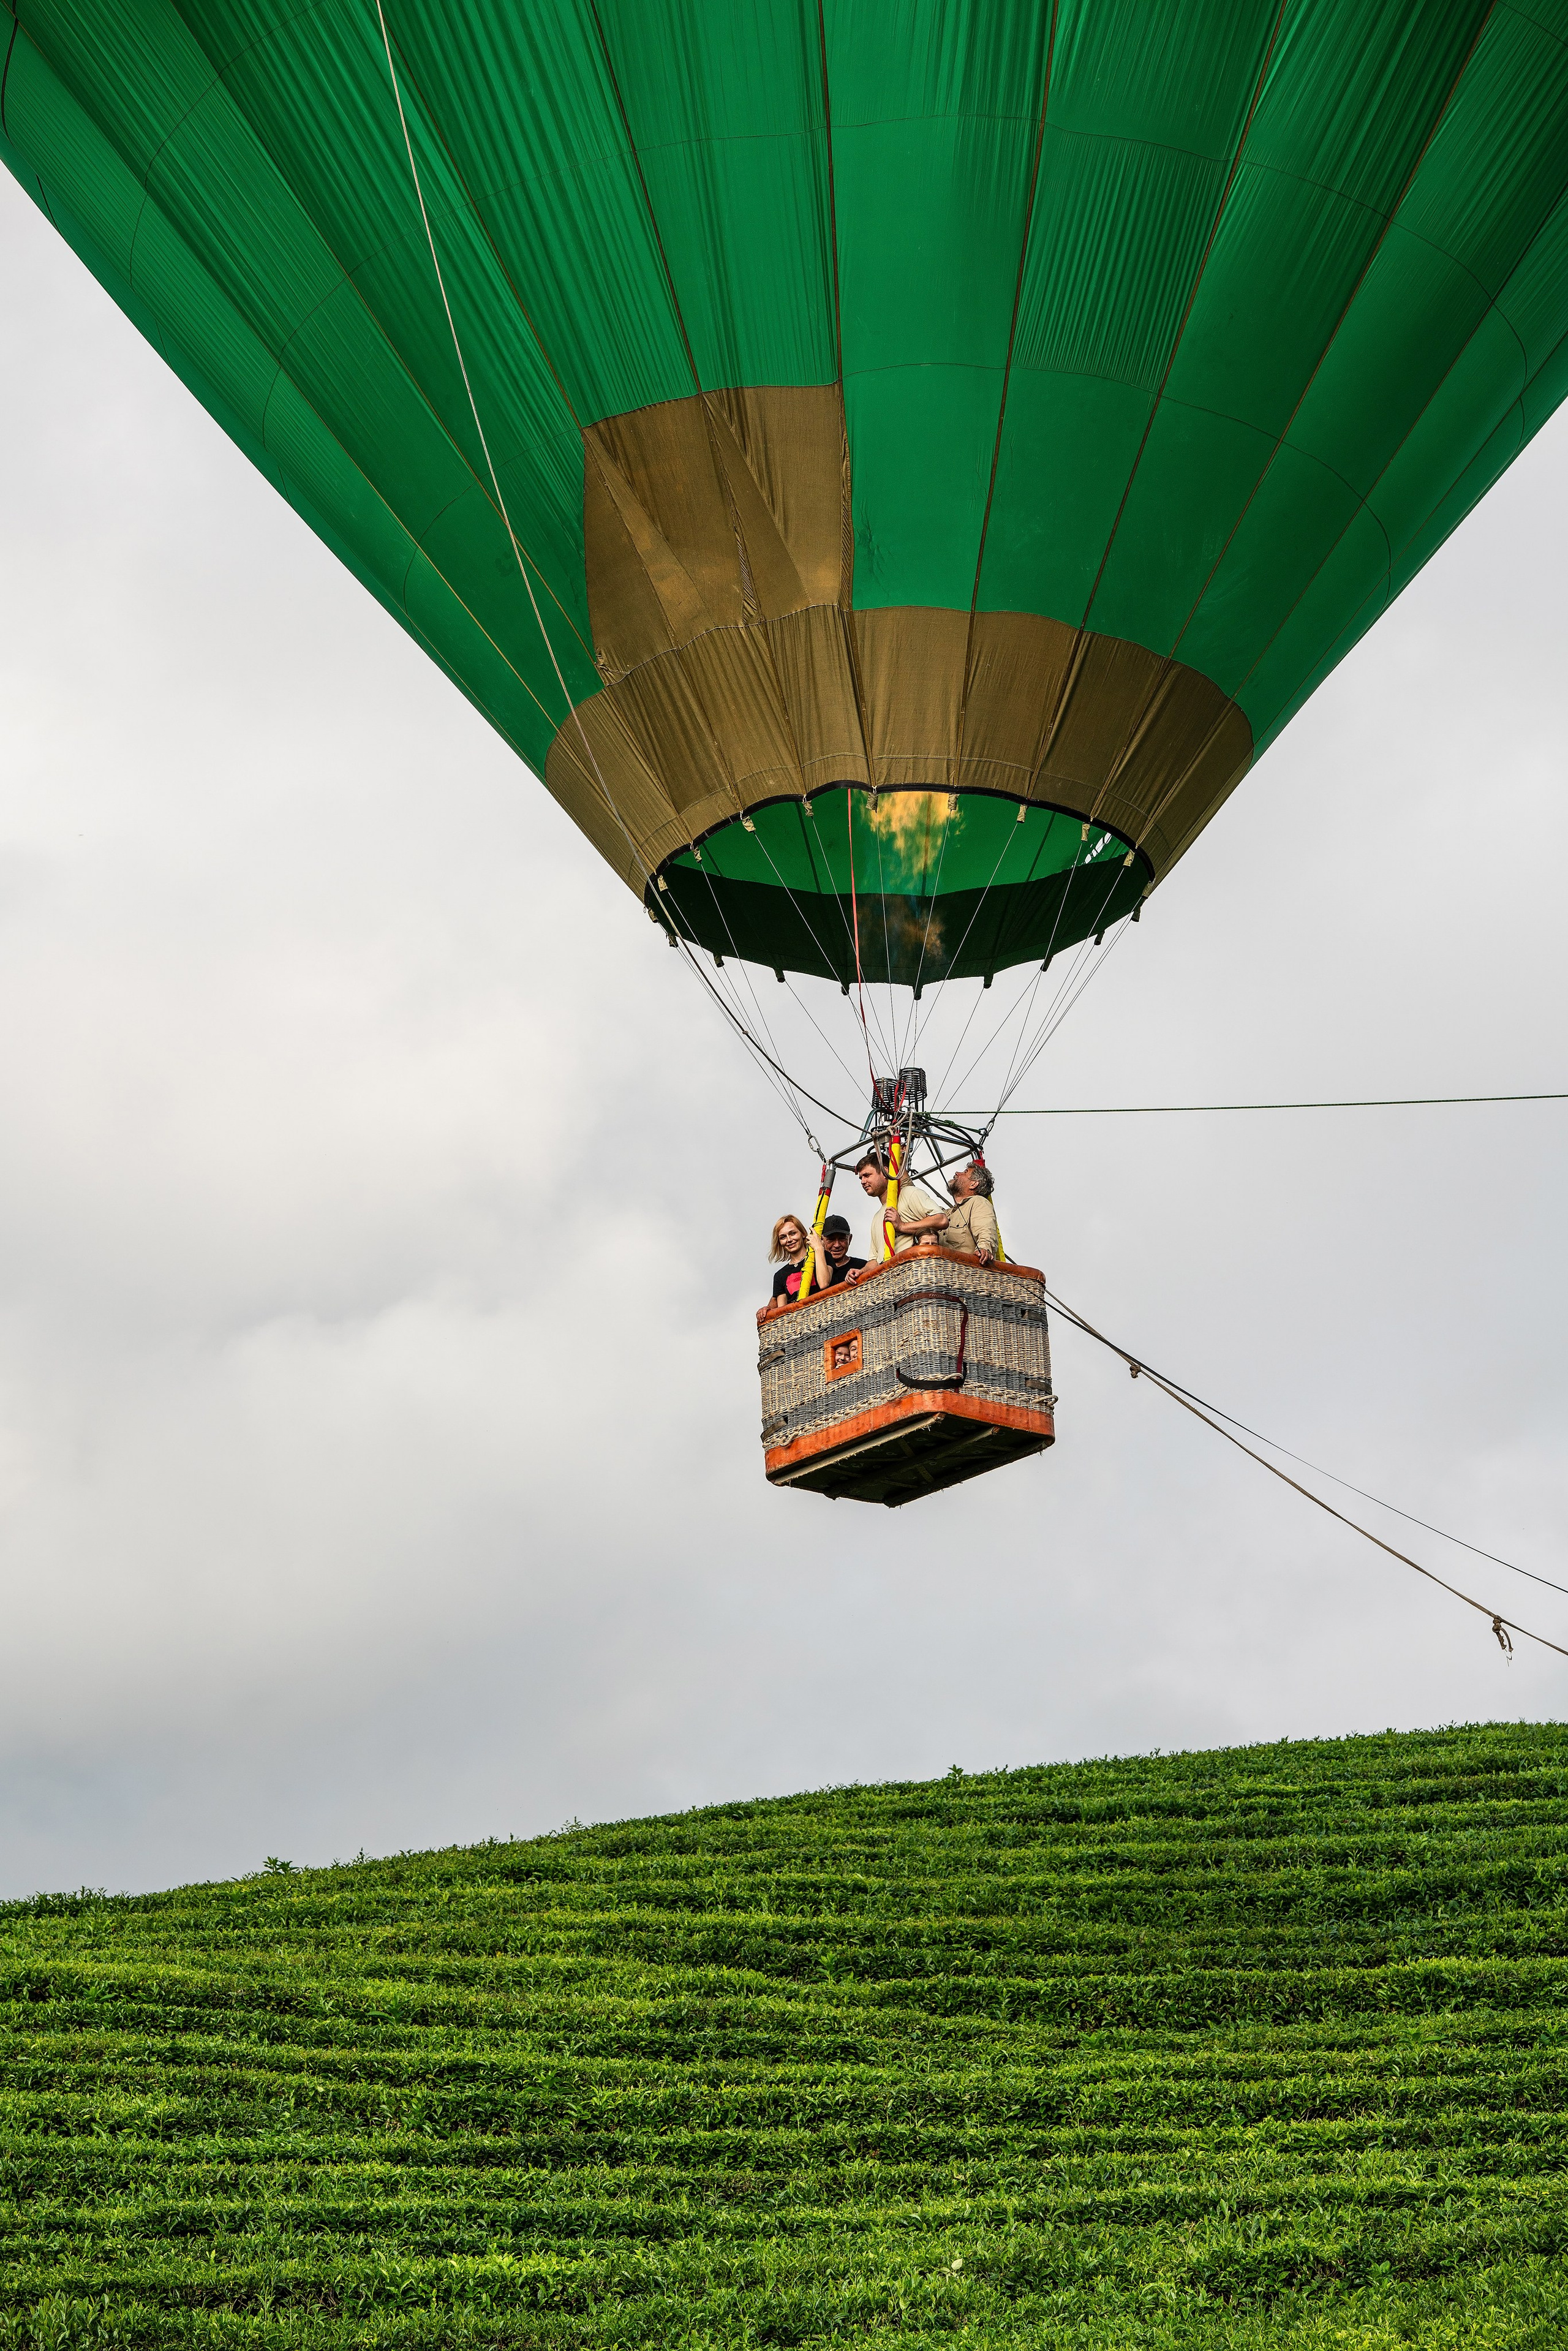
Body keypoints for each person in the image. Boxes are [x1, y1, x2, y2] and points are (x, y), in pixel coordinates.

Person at [854, 1151, 948, 1257]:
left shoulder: (909, 1194)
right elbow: (874, 1259)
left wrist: (902, 1226)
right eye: (861, 1178)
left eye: (867, 1175)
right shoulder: (876, 1218)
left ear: (885, 1173)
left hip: (912, 1265)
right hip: (888, 1267)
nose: (863, 1181)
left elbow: (941, 1220)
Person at [942, 1162, 1001, 1263]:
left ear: (973, 1184)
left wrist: (984, 1249)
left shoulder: (978, 1202)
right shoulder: (945, 1214)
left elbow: (986, 1231)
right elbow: (919, 1207)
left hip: (964, 1270)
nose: (957, 1173)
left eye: (965, 1172)